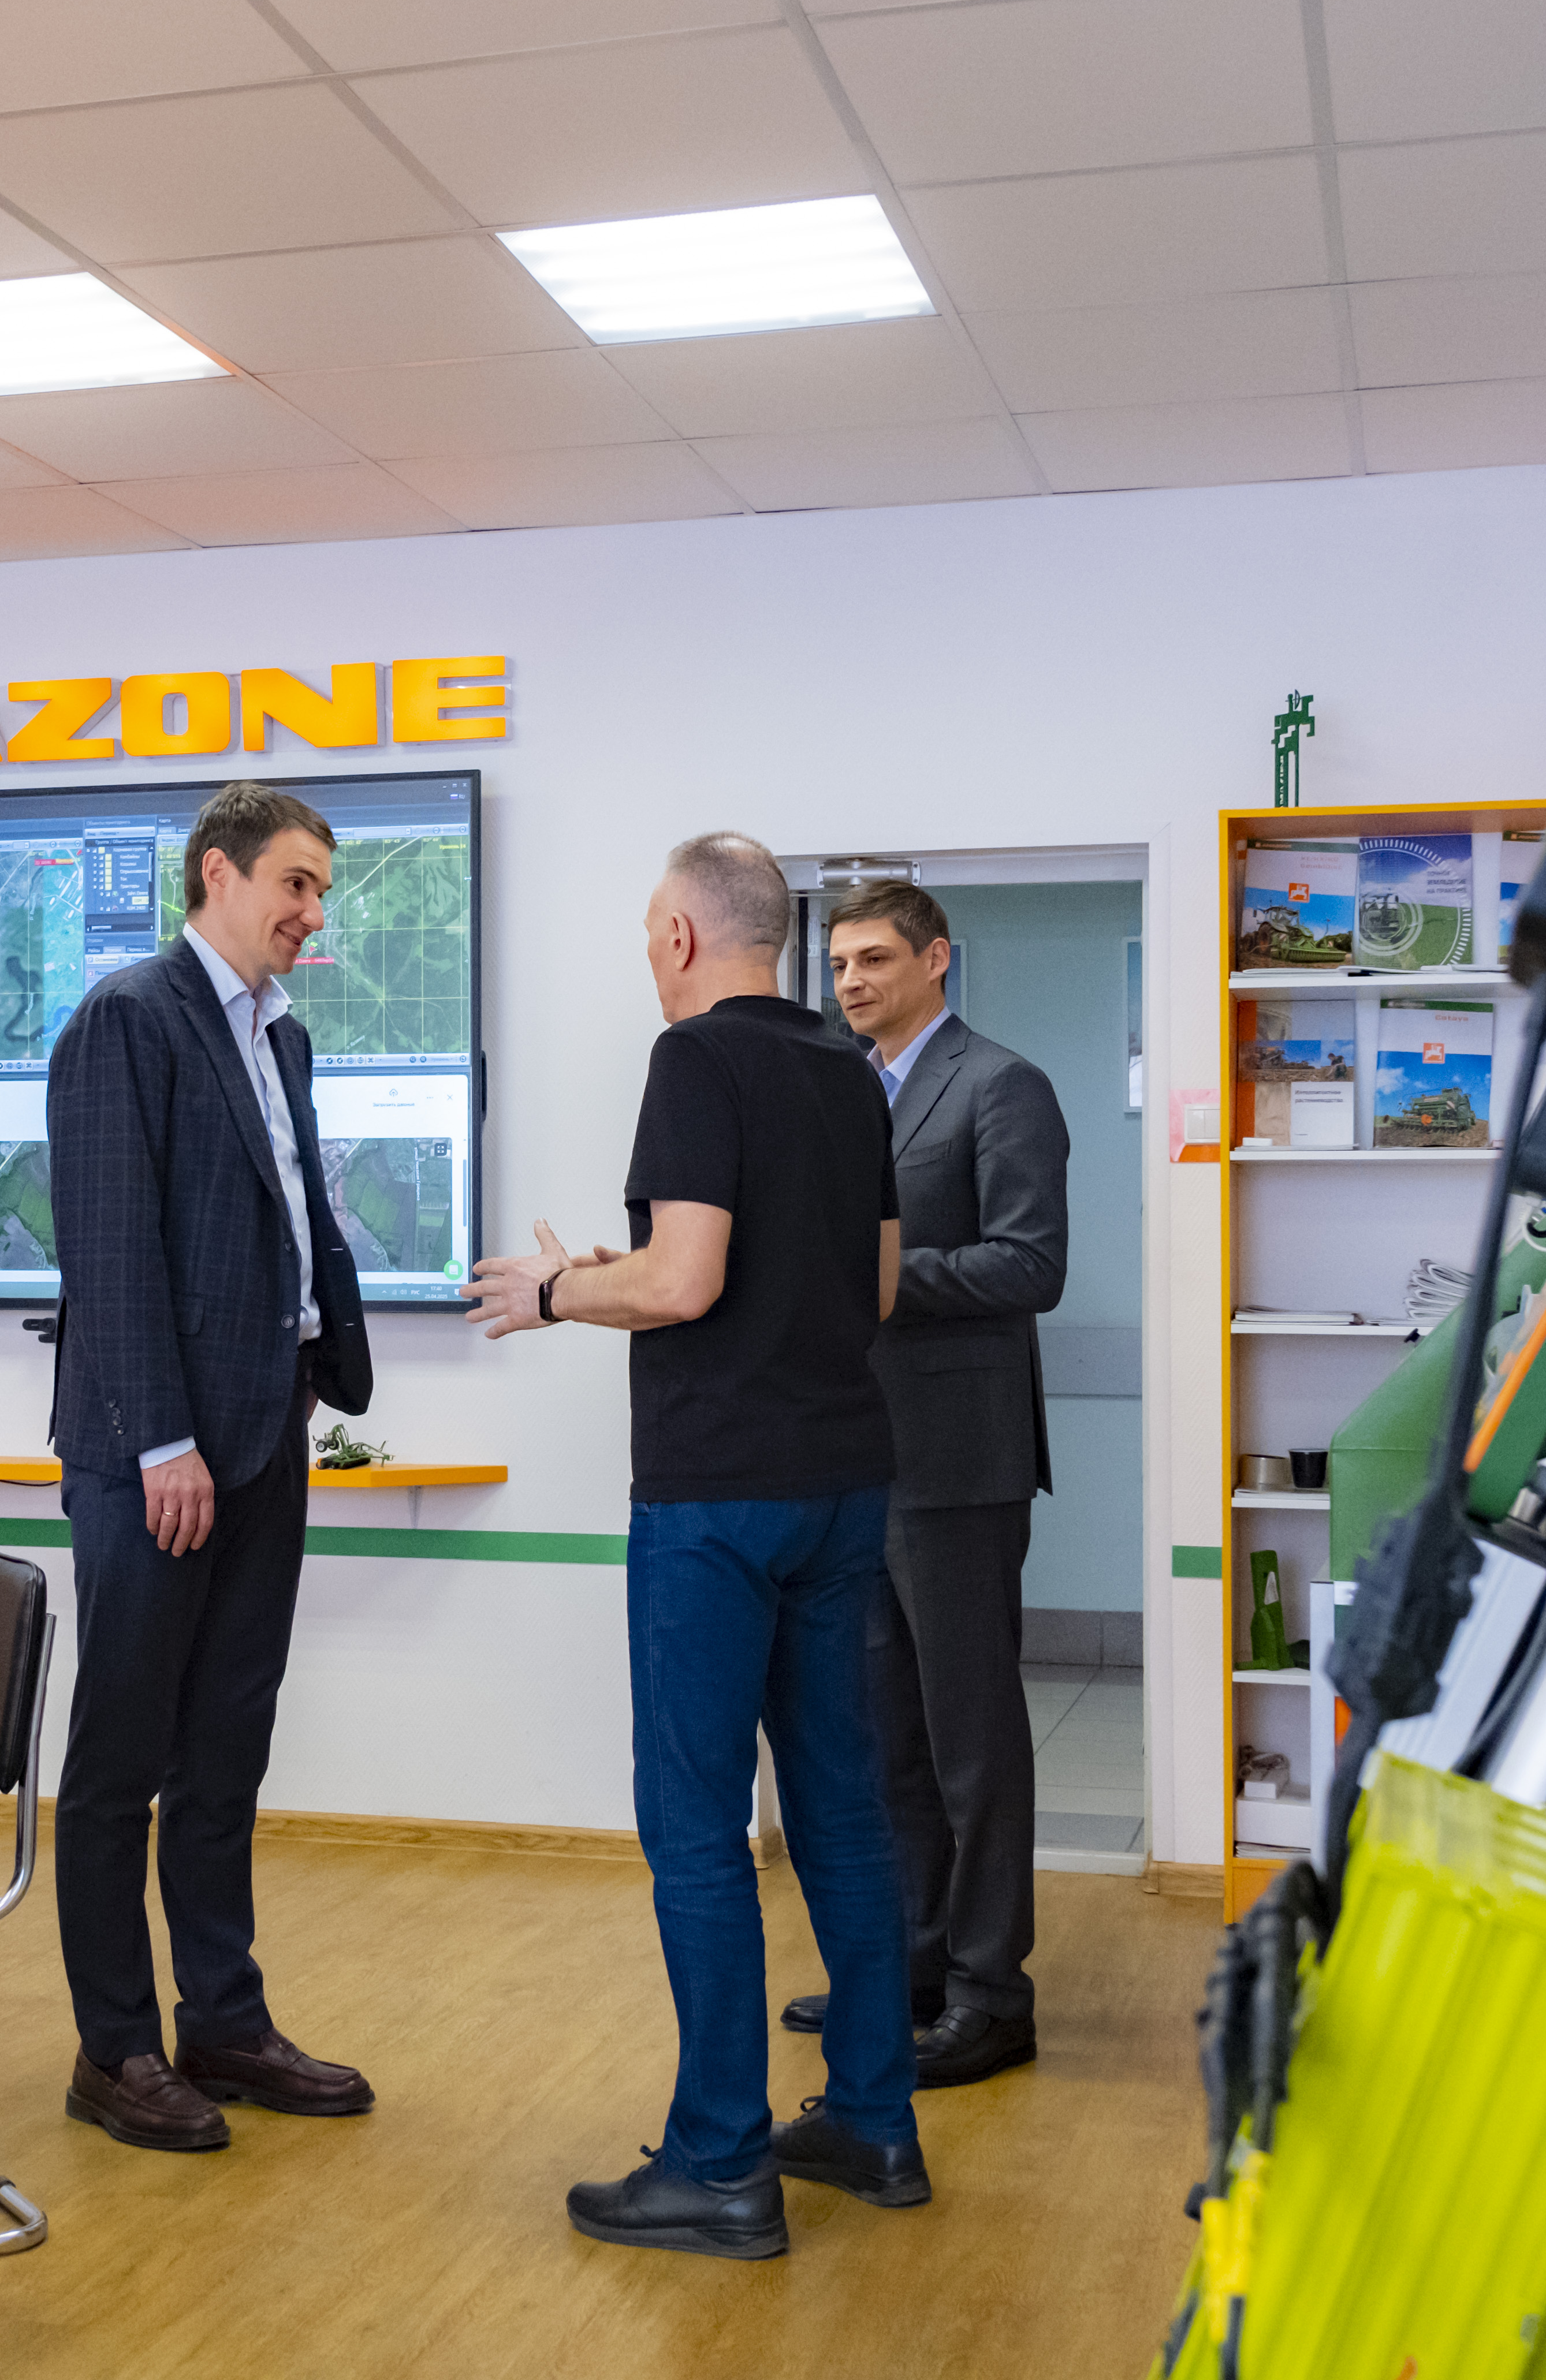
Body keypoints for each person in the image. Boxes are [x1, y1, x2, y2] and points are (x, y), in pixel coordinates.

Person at [462, 830, 925, 2259]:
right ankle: (873, 2123)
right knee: (841, 1809)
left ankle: (720, 2161)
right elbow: (876, 1285)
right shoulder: (850, 1067)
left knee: (697, 1827)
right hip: (841, 1485)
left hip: (717, 1499)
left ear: (679, 937)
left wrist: (557, 1292)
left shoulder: (695, 1059)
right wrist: (631, 1275)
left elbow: (687, 1281)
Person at [45, 779, 378, 2152]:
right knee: (121, 1759)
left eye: (322, 892)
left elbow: (286, 1217)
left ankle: (224, 2021)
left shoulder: (276, 1031)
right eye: (296, 884)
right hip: (159, 1456)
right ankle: (115, 2048)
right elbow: (109, 1246)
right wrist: (163, 1440)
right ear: (219, 874)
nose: (313, 914)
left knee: (226, 1746)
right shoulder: (131, 1016)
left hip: (264, 1429)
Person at [781, 879, 1069, 2087]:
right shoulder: (848, 1089)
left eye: (875, 960)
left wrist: (878, 1276)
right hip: (862, 1455)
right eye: (840, 962)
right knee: (887, 1735)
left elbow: (1031, 1264)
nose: (851, 981)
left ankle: (994, 1993)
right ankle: (912, 1967)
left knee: (971, 1740)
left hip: (960, 1460)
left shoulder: (1000, 1085)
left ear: (937, 959)